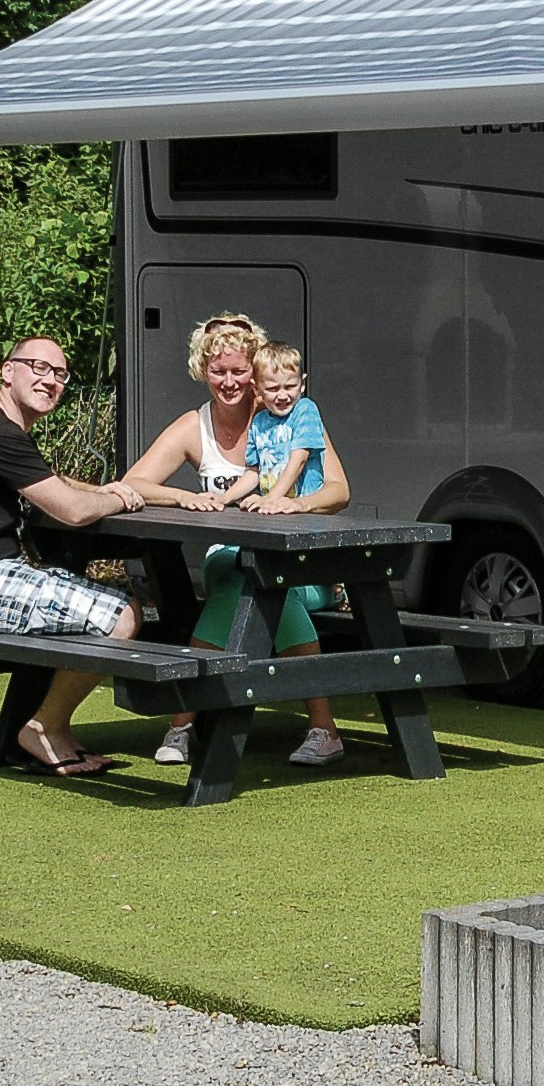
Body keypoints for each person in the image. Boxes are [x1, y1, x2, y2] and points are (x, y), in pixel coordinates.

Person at [117, 312, 353, 767]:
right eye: (218, 371)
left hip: (305, 565)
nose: (229, 382)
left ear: (258, 372)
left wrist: (296, 505)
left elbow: (339, 491)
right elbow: (136, 481)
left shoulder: (291, 410)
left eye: (239, 371)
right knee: (242, 574)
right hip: (231, 557)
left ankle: (182, 723)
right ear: (202, 371)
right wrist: (188, 497)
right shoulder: (194, 425)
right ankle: (323, 728)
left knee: (257, 583)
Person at [0, 338, 151, 777]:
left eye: (60, 374)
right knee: (122, 613)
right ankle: (44, 728)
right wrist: (119, 500)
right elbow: (73, 510)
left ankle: (48, 727)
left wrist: (105, 489)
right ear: (7, 371)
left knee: (101, 601)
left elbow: (54, 482)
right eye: (39, 367)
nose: (50, 381)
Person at [243, 342, 328, 506]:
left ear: (302, 383)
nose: (282, 395)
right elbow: (253, 472)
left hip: (305, 514)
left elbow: (299, 460)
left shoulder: (305, 410)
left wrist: (269, 499)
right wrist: (224, 498)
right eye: (273, 389)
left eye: (290, 387)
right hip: (274, 510)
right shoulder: (258, 422)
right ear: (256, 389)